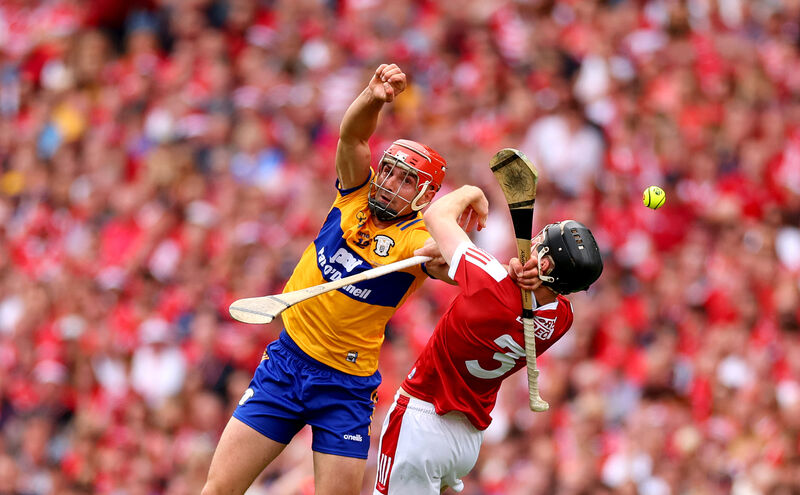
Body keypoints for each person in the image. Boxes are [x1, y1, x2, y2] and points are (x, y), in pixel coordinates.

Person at [202, 64, 520, 495]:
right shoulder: (354, 194)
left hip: (344, 389)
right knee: (219, 489)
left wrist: (470, 202)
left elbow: (450, 264)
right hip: (285, 365)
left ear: (427, 197)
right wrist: (373, 97)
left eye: (407, 180)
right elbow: (352, 137)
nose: (389, 183)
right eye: (389, 170)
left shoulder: (417, 240)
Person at [372, 185, 604, 495]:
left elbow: (437, 215)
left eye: (541, 247)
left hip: (422, 419)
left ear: (545, 266)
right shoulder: (562, 320)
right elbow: (507, 292)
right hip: (467, 441)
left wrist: (471, 192)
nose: (533, 245)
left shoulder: (491, 282)